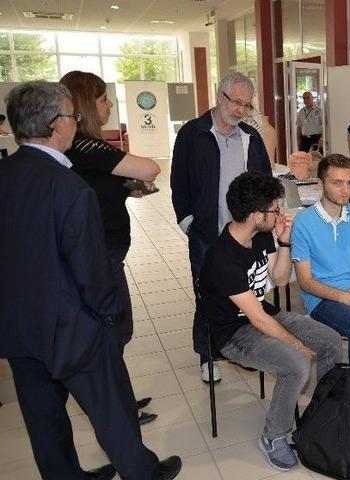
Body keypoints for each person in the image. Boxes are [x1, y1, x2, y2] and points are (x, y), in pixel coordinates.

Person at [0, 81, 181, 480]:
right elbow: (90, 268)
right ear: (53, 124)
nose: (75, 122)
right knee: (111, 409)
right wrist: (109, 315)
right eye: (71, 116)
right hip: (72, 325)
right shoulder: (68, 186)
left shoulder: (6, 172)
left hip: (18, 326)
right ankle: (143, 473)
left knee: (43, 419)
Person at [197, 171, 341, 472]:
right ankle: (273, 435)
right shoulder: (222, 258)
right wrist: (296, 344)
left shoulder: (261, 235)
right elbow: (258, 320)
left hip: (262, 314)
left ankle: (322, 414)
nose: (280, 213)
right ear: (254, 215)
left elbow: (276, 279)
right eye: (274, 210)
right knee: (296, 363)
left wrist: (285, 242)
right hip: (233, 333)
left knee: (329, 341)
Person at [60, 70, 161, 426]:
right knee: (115, 330)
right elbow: (152, 166)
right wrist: (136, 177)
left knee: (117, 329)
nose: (109, 106)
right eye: (103, 100)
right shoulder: (89, 146)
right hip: (100, 256)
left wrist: (125, 189)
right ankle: (118, 406)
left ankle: (120, 397)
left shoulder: (81, 150)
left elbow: (99, 189)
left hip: (106, 252)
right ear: (87, 105)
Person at [171, 71, 272, 383]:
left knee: (248, 296)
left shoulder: (250, 138)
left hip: (246, 238)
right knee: (208, 297)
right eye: (236, 102)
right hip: (207, 234)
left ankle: (246, 348)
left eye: (246, 105)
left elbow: (266, 184)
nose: (240, 110)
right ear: (219, 96)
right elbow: (179, 181)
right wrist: (188, 222)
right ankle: (208, 354)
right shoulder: (193, 133)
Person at [292, 154, 350, 368]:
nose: (345, 190)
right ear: (321, 183)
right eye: (337, 183)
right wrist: (346, 298)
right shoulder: (303, 222)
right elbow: (305, 282)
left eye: (349, 182)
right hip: (322, 299)